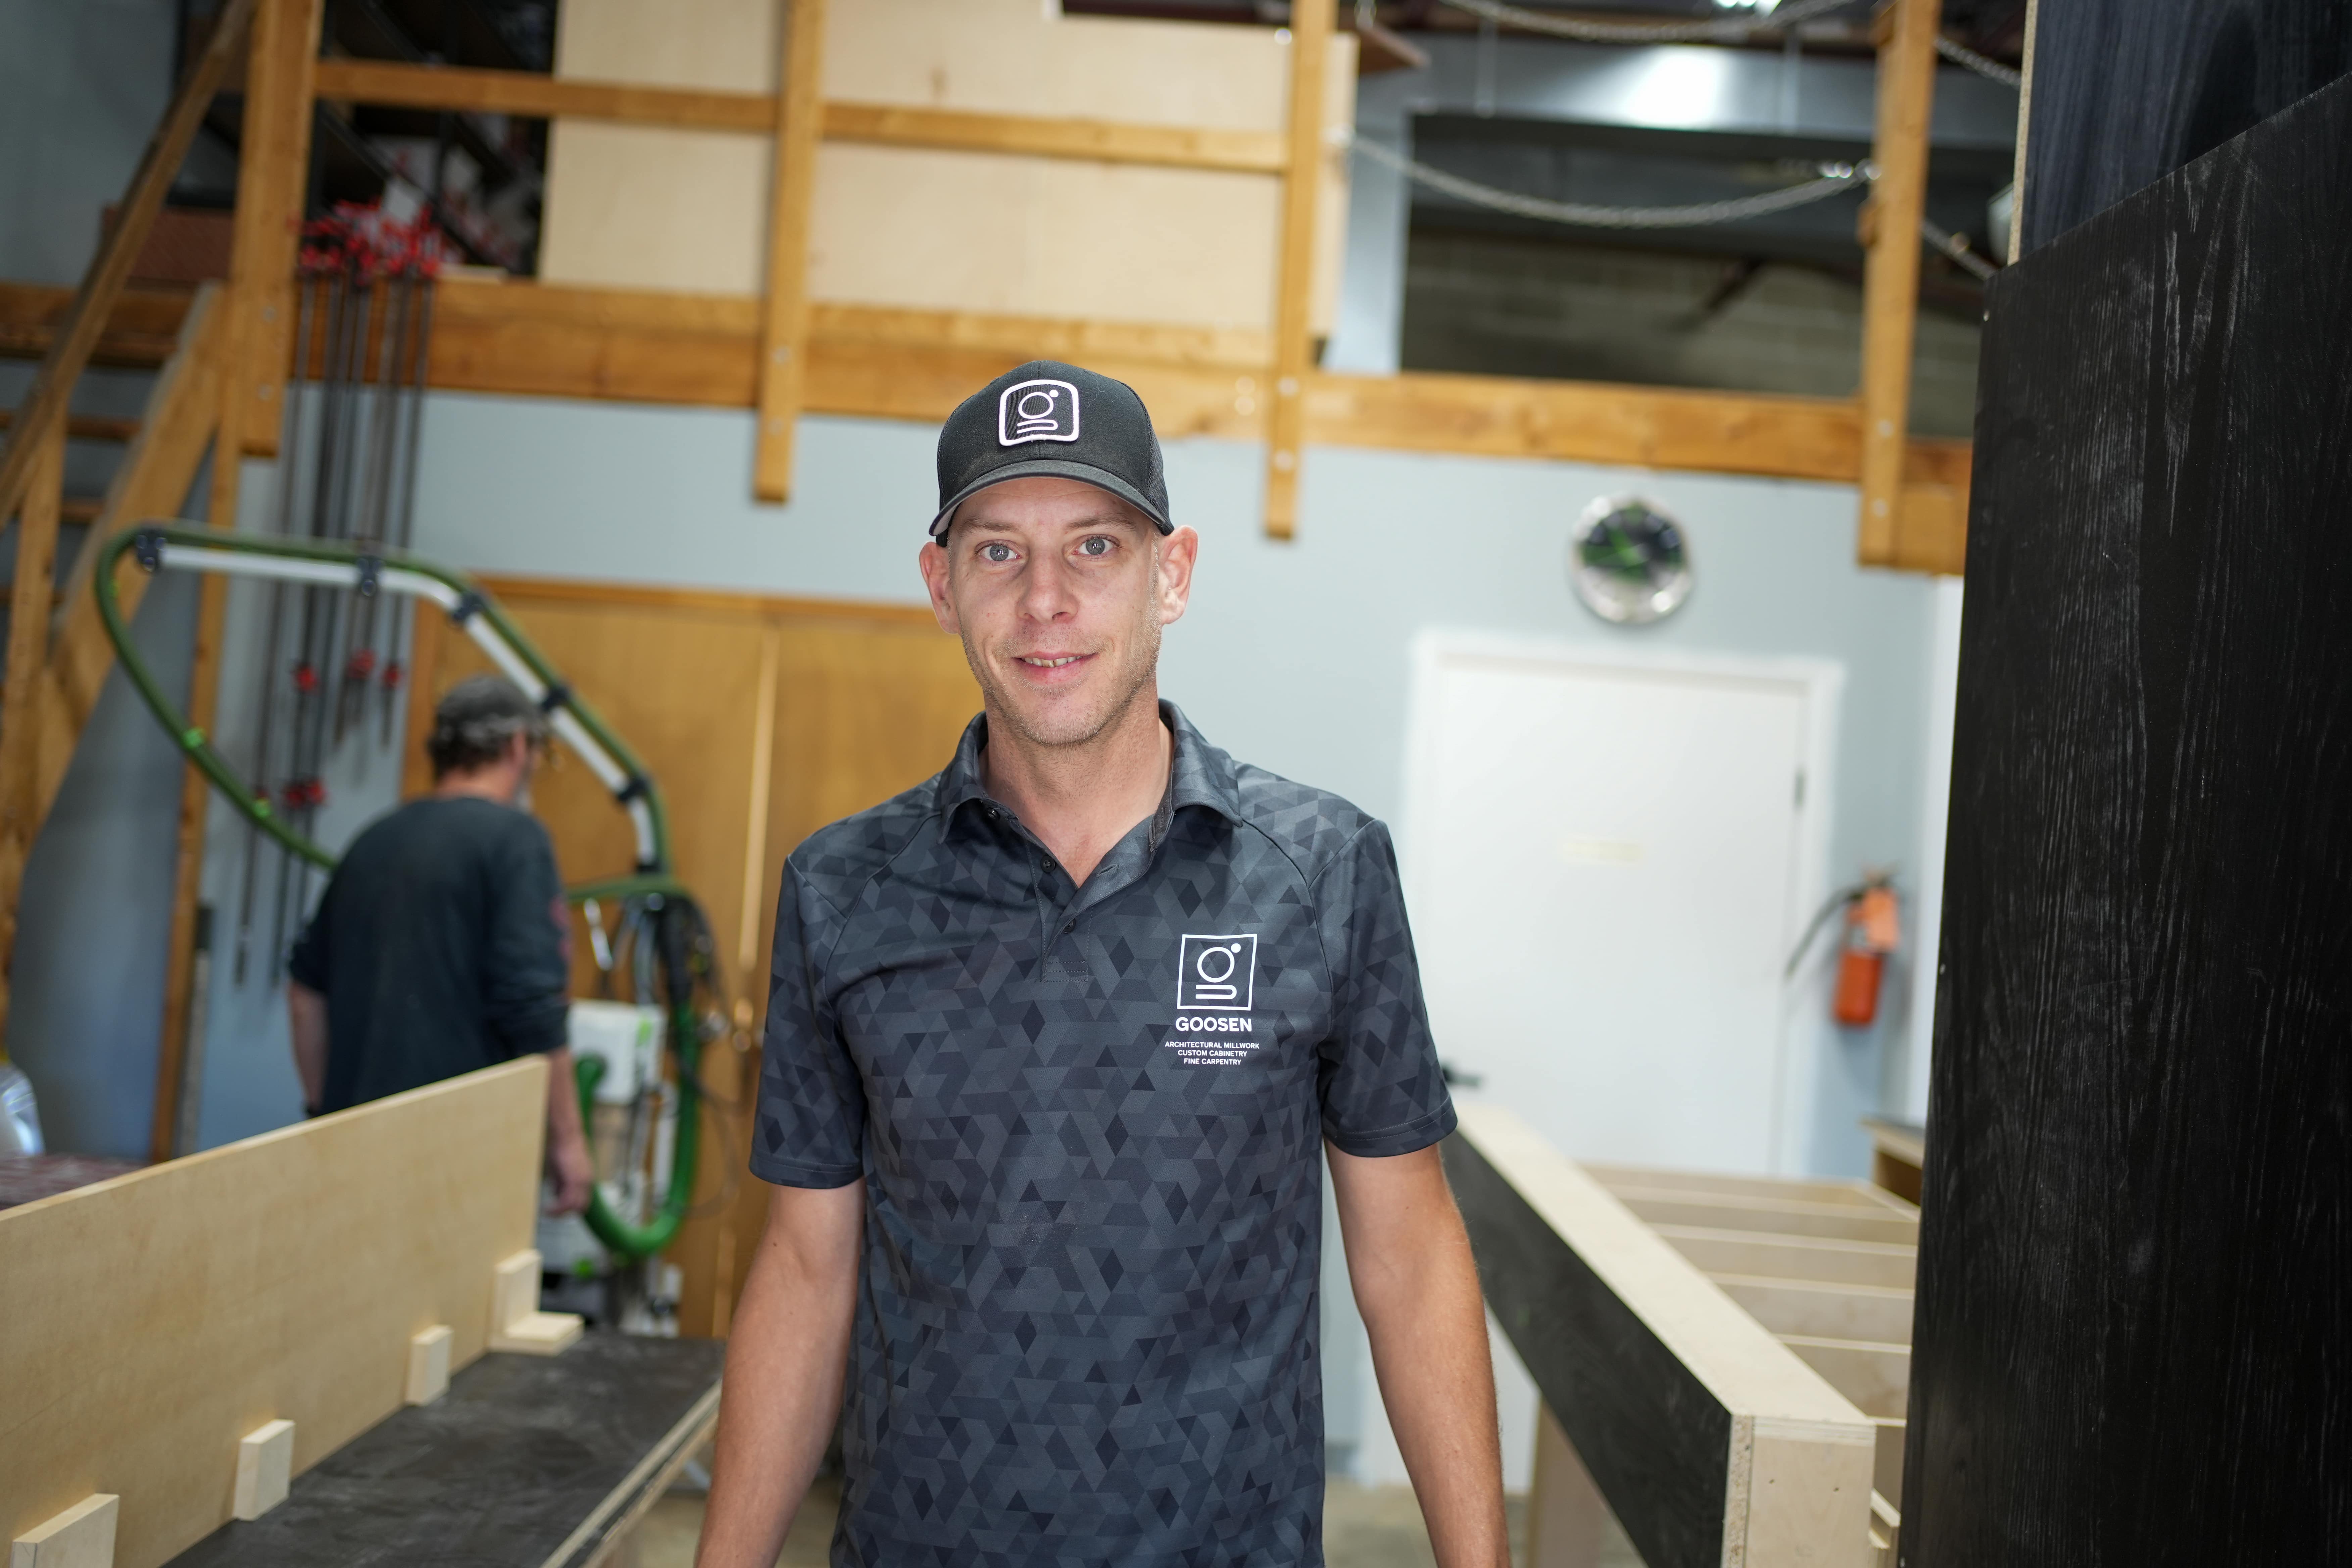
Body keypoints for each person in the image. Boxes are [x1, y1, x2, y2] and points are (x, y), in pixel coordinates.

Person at [698, 363, 1507, 1567]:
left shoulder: (1317, 872)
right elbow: (808, 1269)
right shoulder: (844, 891)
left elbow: (1407, 1255)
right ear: (940, 584)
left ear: (1170, 574)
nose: (1044, 602)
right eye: (996, 553)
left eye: (1092, 548)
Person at [286, 675, 593, 1215]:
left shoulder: (375, 838)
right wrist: (568, 1141)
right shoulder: (516, 840)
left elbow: (305, 993)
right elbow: (532, 1005)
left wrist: (323, 1111)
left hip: (352, 1151)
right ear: (518, 746)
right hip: (456, 1159)